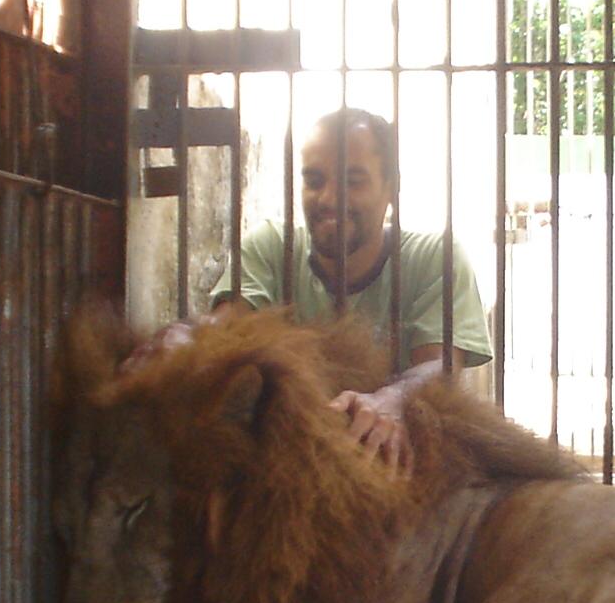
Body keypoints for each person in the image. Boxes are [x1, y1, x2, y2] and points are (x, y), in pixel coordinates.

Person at [210, 106, 492, 470]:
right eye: (314, 180)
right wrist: (187, 337)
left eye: (353, 181)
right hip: (283, 464)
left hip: (394, 468)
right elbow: (225, 333)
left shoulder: (435, 258)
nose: (329, 199)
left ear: (392, 187)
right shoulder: (268, 247)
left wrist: (392, 399)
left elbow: (441, 366)